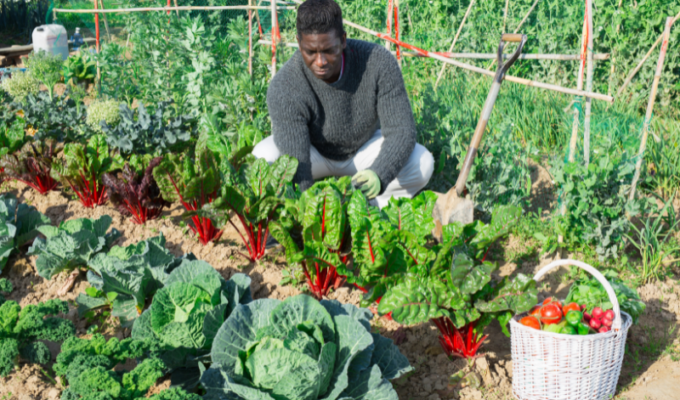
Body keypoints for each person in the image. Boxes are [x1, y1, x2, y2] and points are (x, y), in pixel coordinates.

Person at [253, 0, 434, 208]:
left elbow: (401, 131)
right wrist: (308, 212)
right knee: (262, 158)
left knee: (422, 163)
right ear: (299, 42)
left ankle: (375, 207)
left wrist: (380, 173)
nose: (320, 61)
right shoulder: (285, 85)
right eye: (310, 52)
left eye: (329, 50)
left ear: (343, 40)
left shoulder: (378, 63)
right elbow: (296, 160)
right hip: (313, 152)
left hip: (362, 149)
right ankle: (285, 212)